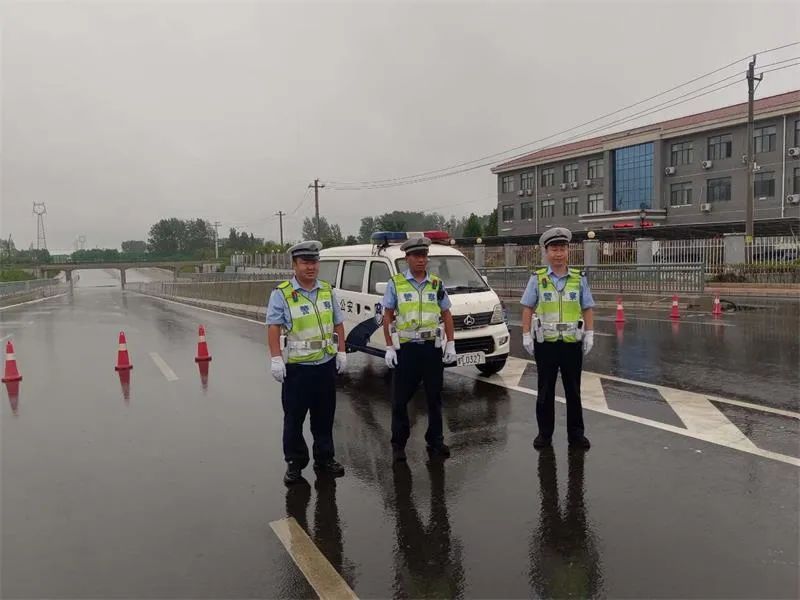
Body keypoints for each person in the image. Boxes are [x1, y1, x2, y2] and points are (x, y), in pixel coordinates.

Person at [267, 240, 348, 485]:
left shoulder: (326, 290)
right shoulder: (282, 294)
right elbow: (273, 326)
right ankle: (295, 463)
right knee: (294, 419)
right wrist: (275, 358)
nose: (310, 267)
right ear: (294, 265)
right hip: (297, 370)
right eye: (305, 262)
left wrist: (342, 352)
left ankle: (325, 458)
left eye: (314, 262)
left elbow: (338, 322)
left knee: (324, 417)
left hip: (324, 366)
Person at [382, 237, 456, 463]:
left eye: (424, 256)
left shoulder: (436, 283)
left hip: (431, 349)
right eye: (416, 256)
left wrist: (451, 342)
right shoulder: (396, 283)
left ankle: (435, 440)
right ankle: (398, 444)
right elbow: (387, 316)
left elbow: (446, 314)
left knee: (434, 397)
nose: (421, 260)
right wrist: (389, 347)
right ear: (407, 258)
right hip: (407, 350)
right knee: (400, 400)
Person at [520, 227, 594, 450]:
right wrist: (526, 335)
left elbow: (587, 307)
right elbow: (527, 307)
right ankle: (544, 435)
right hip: (547, 343)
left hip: (572, 343)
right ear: (546, 252)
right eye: (554, 249)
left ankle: (576, 435)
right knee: (545, 391)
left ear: (568, 251)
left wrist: (590, 333)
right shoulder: (538, 279)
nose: (558, 254)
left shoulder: (578, 278)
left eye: (562, 249)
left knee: (573, 391)